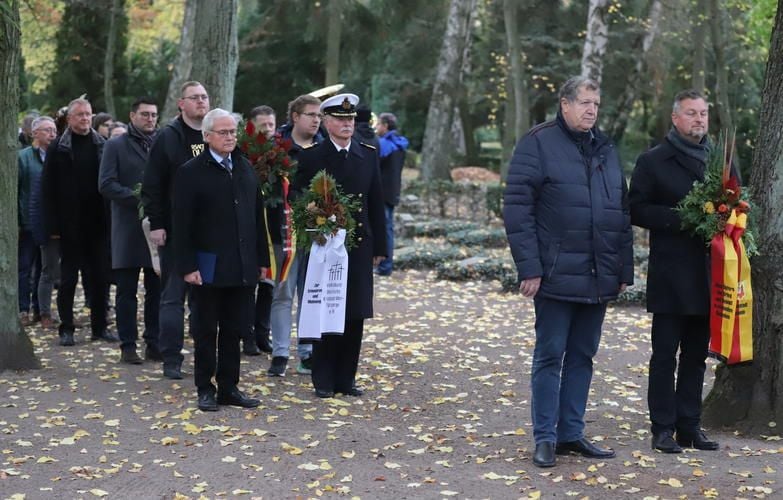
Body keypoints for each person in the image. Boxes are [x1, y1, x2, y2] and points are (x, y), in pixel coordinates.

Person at [502, 76, 633, 468]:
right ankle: (545, 437)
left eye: (596, 103)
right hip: (556, 274)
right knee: (549, 356)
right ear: (565, 104)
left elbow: (620, 213)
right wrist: (530, 268)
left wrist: (622, 267)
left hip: (598, 275)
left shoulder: (606, 148)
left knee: (583, 357)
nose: (592, 110)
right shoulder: (538, 143)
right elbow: (517, 209)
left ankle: (571, 433)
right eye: (585, 103)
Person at [629, 89, 721, 454]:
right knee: (665, 355)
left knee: (697, 356)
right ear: (675, 118)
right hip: (670, 275)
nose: (699, 119)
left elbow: (735, 201)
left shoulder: (720, 158)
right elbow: (636, 209)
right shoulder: (653, 160)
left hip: (709, 274)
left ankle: (690, 426)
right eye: (692, 113)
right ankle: (662, 428)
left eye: (703, 113)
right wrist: (683, 218)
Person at [172, 108, 269, 411]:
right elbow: (181, 224)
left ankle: (230, 387)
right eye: (224, 132)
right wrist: (187, 266)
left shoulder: (244, 167)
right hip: (207, 264)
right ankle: (205, 387)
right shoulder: (190, 171)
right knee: (205, 329)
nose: (230, 137)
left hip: (241, 264)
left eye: (233, 132)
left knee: (235, 328)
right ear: (207, 135)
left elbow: (257, 217)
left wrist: (262, 260)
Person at [294, 93, 387, 398]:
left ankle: (346, 378)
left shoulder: (368, 153)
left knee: (354, 310)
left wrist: (380, 247)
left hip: (358, 244)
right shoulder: (311, 157)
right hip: (324, 244)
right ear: (327, 123)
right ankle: (323, 378)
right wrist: (318, 221)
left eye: (351, 120)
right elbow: (299, 201)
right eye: (341, 120)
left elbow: (376, 201)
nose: (348, 125)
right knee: (325, 307)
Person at [142, 81, 210, 380]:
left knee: (204, 297)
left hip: (209, 231)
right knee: (173, 295)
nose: (201, 102)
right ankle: (171, 357)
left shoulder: (215, 133)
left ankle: (205, 354)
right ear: (181, 104)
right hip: (174, 230)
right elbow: (152, 183)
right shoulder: (167, 137)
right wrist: (156, 224)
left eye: (204, 97)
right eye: (194, 98)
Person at [42, 98, 118, 346]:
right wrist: (52, 225)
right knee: (68, 279)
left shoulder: (102, 145)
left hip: (98, 223)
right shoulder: (58, 148)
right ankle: (67, 328)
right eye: (80, 115)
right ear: (70, 118)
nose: (85, 118)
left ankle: (100, 327)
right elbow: (47, 189)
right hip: (69, 224)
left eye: (88, 114)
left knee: (100, 277)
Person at [265, 94, 326, 377]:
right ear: (295, 117)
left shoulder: (325, 147)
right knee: (282, 292)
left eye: (319, 116)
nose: (317, 120)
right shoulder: (276, 148)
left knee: (311, 294)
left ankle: (308, 352)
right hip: (283, 232)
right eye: (311, 115)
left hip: (316, 234)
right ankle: (279, 352)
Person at [99, 98, 162, 364]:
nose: (150, 119)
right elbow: (106, 184)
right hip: (127, 227)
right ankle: (128, 345)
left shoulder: (162, 143)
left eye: (154, 115)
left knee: (156, 289)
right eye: (145, 114)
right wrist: (139, 199)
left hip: (157, 228)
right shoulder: (115, 145)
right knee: (126, 290)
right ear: (132, 116)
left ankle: (154, 343)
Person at [240, 104, 277, 356]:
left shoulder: (280, 154)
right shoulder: (242, 154)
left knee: (269, 286)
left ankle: (263, 333)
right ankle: (247, 336)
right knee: (247, 288)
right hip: (249, 229)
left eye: (271, 125)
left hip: (275, 227)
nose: (268, 130)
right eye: (263, 125)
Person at [18, 116, 57, 326]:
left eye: (54, 130)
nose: (52, 134)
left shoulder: (56, 156)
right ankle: (23, 309)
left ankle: (40, 310)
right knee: (24, 267)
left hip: (47, 224)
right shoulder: (22, 158)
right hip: (26, 223)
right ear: (35, 133)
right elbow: (16, 190)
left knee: (45, 269)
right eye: (47, 130)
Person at [374, 112, 409, 276]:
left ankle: (384, 266)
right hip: (393, 191)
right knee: (388, 229)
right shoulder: (400, 144)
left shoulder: (385, 145)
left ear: (385, 126)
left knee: (384, 230)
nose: (376, 127)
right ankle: (386, 265)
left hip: (382, 193)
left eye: (379, 124)